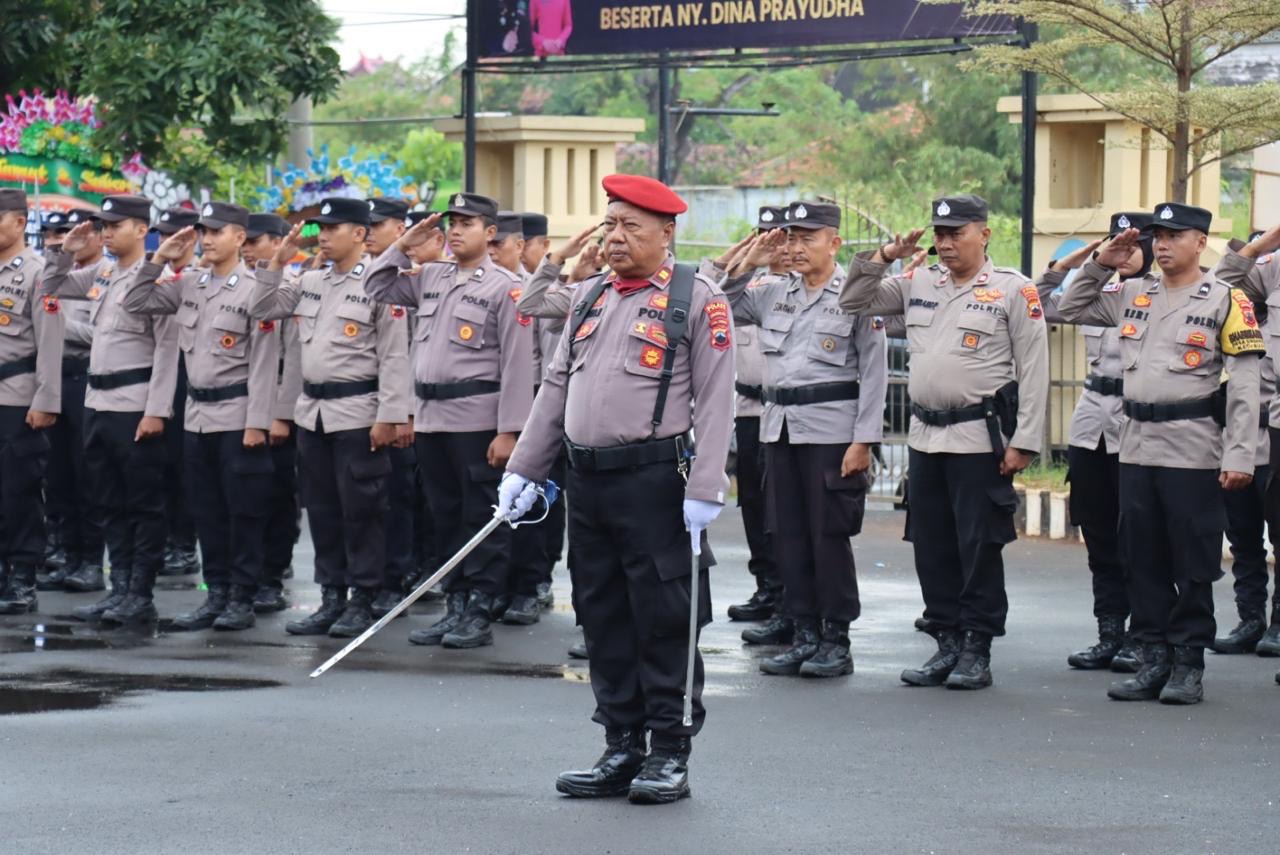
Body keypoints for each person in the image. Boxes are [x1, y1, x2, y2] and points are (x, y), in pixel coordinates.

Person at [500, 174, 735, 804]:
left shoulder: (697, 298)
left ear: (667, 232)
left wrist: (706, 486)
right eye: (610, 225)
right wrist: (525, 470)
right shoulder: (589, 296)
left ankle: (669, 751)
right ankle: (621, 744)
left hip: (658, 483)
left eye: (632, 226)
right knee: (601, 613)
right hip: (589, 482)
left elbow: (716, 401)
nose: (616, 238)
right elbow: (556, 388)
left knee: (664, 619)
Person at [840, 194, 1049, 691]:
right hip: (925, 436)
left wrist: (1026, 441)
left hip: (979, 438)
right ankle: (946, 641)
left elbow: (1036, 369)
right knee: (930, 544)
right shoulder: (919, 282)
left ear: (985, 233)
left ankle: (977, 646)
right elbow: (853, 301)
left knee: (978, 545)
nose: (946, 242)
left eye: (957, 233)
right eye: (940, 234)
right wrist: (885, 257)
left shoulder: (1012, 291)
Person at [1058, 202, 1263, 704]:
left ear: (1200, 242)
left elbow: (1244, 382)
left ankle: (1188, 661)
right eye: (1159, 235)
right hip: (1136, 445)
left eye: (1175, 235)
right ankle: (1152, 657)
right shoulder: (1132, 293)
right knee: (1142, 556)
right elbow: (1070, 307)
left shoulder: (1226, 299)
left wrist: (1240, 454)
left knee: (1191, 560)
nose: (1164, 243)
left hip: (1192, 445)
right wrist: (1102, 260)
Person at [719, 201, 887, 678]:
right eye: (789, 238)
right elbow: (719, 297)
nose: (794, 247)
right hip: (780, 429)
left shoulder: (856, 295)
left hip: (832, 432)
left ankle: (836, 639)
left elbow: (874, 373)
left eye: (806, 238)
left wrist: (864, 440)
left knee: (828, 537)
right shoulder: (772, 291)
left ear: (834, 242)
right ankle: (803, 632)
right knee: (787, 534)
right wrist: (748, 261)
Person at [364, 193, 535, 649]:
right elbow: (376, 286)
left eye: (468, 222)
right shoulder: (431, 276)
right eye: (452, 222)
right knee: (444, 517)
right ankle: (454, 604)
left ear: (491, 232)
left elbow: (518, 366)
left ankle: (479, 609)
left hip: (478, 419)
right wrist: (405, 242)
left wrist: (509, 430)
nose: (457, 230)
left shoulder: (506, 287)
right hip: (434, 418)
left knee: (481, 517)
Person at [250, 197, 409, 638]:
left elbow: (395, 355)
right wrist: (276, 265)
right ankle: (332, 596)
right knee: (321, 511)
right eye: (320, 227)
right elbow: (264, 309)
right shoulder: (309, 280)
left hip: (359, 412)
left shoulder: (381, 282)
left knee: (363, 511)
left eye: (333, 227)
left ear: (359, 234)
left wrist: (391, 415)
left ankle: (364, 597)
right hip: (313, 414)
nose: (322, 234)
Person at [123, 202, 280, 631]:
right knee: (206, 512)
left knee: (243, 513)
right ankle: (217, 594)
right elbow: (136, 300)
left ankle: (242, 599)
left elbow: (265, 363)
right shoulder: (190, 284)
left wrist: (257, 423)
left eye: (216, 232)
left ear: (239, 238)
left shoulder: (255, 288)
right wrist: (157, 258)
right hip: (196, 417)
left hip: (237, 415)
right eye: (202, 232)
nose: (207, 239)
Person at [44, 194, 179, 624]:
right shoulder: (102, 271)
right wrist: (64, 251)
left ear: (142, 229)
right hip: (97, 401)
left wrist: (157, 410)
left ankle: (140, 593)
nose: (105, 233)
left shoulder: (158, 279)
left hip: (134, 404)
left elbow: (167, 350)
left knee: (143, 503)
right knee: (107, 501)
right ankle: (118, 587)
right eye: (103, 226)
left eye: (114, 225)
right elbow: (51, 286)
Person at [1034, 212, 1153, 672]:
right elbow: (1041, 303)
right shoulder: (1094, 291)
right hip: (1090, 427)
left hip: (1136, 425)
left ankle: (1144, 634)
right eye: (1115, 244)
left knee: (1139, 538)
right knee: (1099, 534)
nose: (1123, 253)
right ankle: (1110, 632)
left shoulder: (1160, 295)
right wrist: (1081, 259)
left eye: (1132, 246)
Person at [1208, 223, 1280, 661]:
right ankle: (1250, 619)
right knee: (1243, 535)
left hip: (1279, 431)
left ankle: (1278, 624)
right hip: (1239, 431)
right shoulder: (1271, 269)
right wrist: (1261, 245)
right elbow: (1219, 282)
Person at [0, 189, 64, 615]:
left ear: (20, 222)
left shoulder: (40, 272)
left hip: (17, 395)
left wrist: (46, 400)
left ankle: (22, 578)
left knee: (18, 491)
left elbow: (51, 342)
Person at [38, 208, 108, 595]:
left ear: (99, 236)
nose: (66, 237)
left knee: (87, 477)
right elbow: (47, 287)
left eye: (74, 232)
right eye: (59, 233)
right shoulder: (66, 277)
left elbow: (105, 335)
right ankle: (67, 555)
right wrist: (61, 252)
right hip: (54, 380)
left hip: (86, 381)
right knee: (58, 476)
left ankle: (91, 563)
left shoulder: (106, 276)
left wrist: (60, 323)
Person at [242, 212, 302, 614]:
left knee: (278, 496)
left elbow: (294, 356)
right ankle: (244, 575)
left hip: (277, 406)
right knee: (243, 498)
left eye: (256, 240)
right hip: (238, 405)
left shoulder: (293, 287)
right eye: (243, 240)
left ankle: (272, 575)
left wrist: (280, 413)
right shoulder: (234, 284)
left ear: (280, 242)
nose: (247, 247)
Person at [364, 196, 419, 619]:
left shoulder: (410, 279)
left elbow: (410, 354)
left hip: (408, 409)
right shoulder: (364, 278)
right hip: (365, 407)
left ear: (399, 230)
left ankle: (396, 578)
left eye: (377, 225)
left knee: (399, 498)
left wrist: (405, 413)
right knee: (368, 502)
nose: (368, 232)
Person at [151, 207, 203, 581]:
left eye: (176, 234)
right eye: (163, 233)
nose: (168, 240)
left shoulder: (201, 277)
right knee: (159, 465)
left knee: (186, 466)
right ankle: (166, 539)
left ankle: (184, 544)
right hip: (156, 376)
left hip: (192, 373)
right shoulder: (156, 276)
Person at [519, 210, 563, 610]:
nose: (515, 252)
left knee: (548, 496)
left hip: (555, 401)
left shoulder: (568, 286)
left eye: (521, 244)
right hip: (522, 399)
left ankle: (539, 577)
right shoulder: (522, 288)